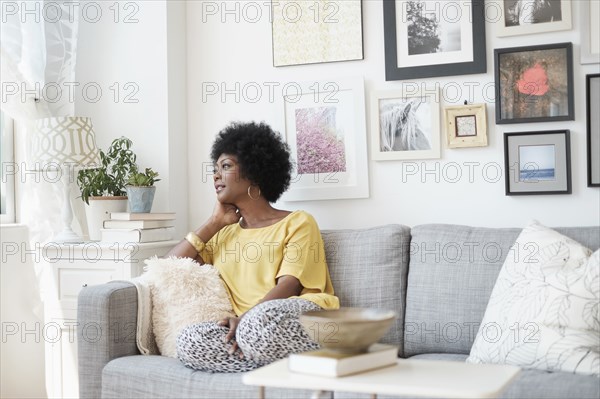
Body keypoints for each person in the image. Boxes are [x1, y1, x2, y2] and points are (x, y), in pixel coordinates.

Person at [167, 121, 339, 373]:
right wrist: (213, 223)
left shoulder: (298, 222)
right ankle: (286, 365)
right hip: (245, 330)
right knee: (188, 341)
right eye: (215, 169)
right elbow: (171, 267)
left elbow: (289, 285)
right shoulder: (222, 233)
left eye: (225, 166)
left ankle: (286, 354)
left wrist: (247, 318)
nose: (215, 176)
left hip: (298, 316)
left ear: (254, 173)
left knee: (258, 328)